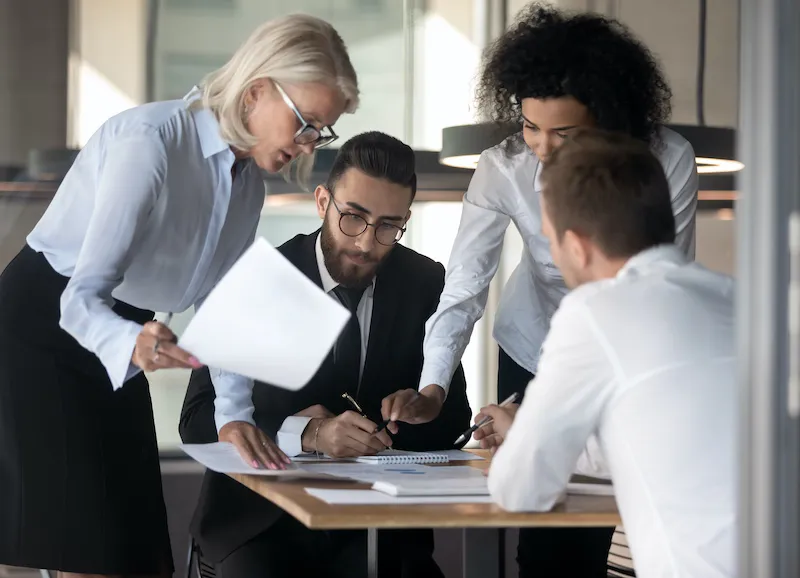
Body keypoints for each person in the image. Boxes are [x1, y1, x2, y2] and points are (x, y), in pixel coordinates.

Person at [0, 14, 358, 578]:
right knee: (91, 553)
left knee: (139, 553)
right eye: (306, 123)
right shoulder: (150, 145)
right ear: (257, 90)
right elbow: (78, 300)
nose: (311, 143)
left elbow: (223, 304)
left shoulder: (243, 185)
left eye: (323, 130)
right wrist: (133, 343)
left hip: (120, 341)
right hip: (44, 335)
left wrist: (232, 415)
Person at [381, 4, 700, 576]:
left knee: (614, 506)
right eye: (530, 126)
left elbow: (658, 288)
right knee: (547, 534)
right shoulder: (501, 169)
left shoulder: (667, 160)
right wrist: (433, 385)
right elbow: (464, 286)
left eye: (564, 132)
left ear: (608, 119)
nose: (542, 146)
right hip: (534, 351)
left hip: (625, 347)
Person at [179, 131, 472, 578]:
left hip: (377, 528)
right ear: (322, 203)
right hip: (261, 526)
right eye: (353, 218)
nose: (367, 243)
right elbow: (198, 420)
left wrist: (423, 409)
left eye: (389, 227)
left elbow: (454, 423)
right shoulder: (256, 280)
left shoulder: (425, 281)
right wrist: (307, 434)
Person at [477, 128, 735, 578]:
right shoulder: (734, 298)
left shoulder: (594, 311)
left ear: (575, 246)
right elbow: (658, 431)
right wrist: (528, 429)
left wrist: (523, 441)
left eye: (551, 241)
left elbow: (520, 490)